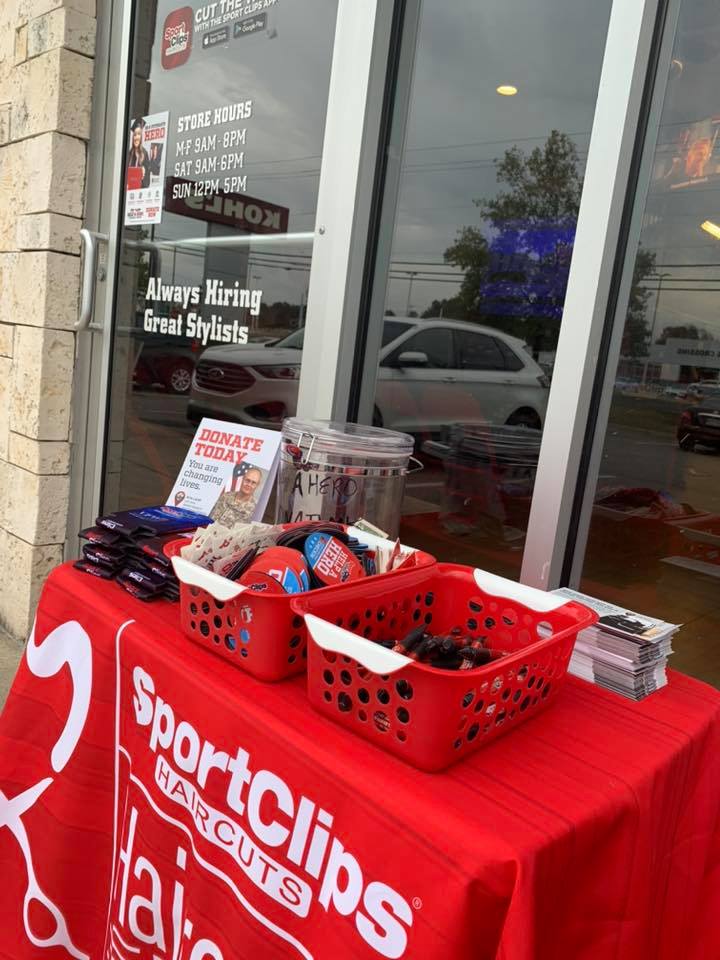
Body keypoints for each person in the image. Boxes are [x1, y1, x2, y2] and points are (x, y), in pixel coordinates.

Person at [127, 119, 151, 189]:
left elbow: (147, 180)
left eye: (139, 134)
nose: (136, 137)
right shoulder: (129, 154)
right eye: (135, 135)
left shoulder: (144, 153)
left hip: (139, 190)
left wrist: (143, 174)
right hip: (129, 191)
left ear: (141, 137)